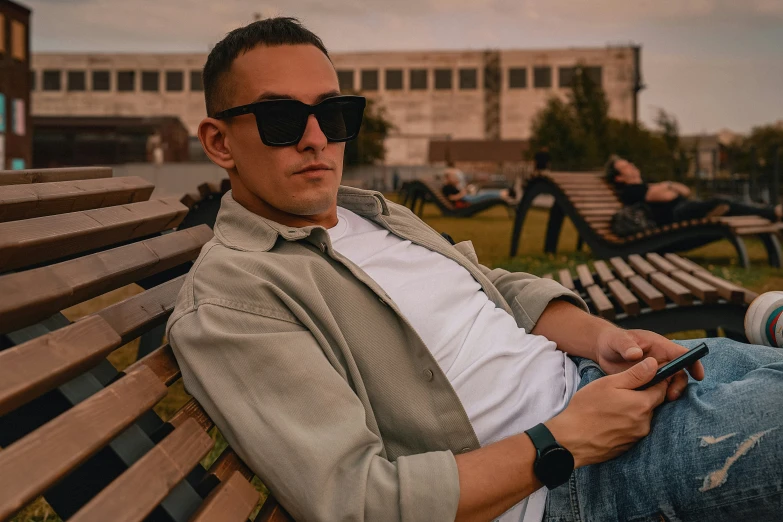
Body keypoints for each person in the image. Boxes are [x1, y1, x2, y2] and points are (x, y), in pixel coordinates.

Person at [167, 18, 783, 522]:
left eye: (333, 115)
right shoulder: (235, 296)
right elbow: (356, 501)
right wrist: (567, 439)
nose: (315, 139)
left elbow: (492, 286)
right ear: (220, 143)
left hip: (597, 388)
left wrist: (604, 338)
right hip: (571, 485)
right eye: (280, 119)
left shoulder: (370, 215)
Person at [606, 155, 783, 226]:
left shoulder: (647, 185)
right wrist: (668, 186)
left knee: (726, 203)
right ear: (618, 178)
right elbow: (667, 196)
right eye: (626, 166)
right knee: (720, 201)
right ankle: (772, 211)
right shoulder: (631, 191)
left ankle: (769, 212)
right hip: (675, 215)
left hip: (685, 206)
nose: (632, 166)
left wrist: (667, 185)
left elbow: (685, 191)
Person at [441, 168, 518, 207]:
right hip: (467, 200)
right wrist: (463, 193)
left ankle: (505, 193)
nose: (455, 178)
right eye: (453, 177)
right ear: (447, 178)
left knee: (485, 193)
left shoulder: (451, 186)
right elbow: (451, 198)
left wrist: (463, 190)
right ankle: (504, 194)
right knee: (486, 195)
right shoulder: (446, 187)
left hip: (467, 198)